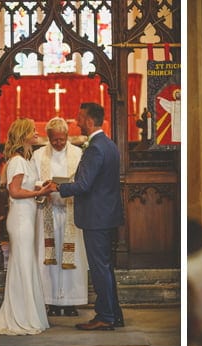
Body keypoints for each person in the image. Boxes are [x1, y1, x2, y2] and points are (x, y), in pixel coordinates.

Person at [49, 102, 125, 330]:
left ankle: (105, 317)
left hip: (96, 217)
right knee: (106, 266)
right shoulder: (109, 144)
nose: (76, 121)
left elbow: (83, 185)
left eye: (80, 117)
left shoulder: (95, 148)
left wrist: (57, 187)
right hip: (106, 215)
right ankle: (114, 314)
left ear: (90, 121)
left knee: (100, 267)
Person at [0, 118, 55, 335]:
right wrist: (40, 192)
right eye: (32, 130)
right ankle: (20, 316)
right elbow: (15, 191)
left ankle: (29, 314)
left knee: (27, 264)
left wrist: (41, 189)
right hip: (20, 219)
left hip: (28, 216)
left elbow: (25, 189)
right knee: (22, 265)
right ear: (23, 135)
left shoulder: (26, 160)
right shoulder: (17, 161)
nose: (36, 133)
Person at [33, 117, 86, 317]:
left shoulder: (78, 153)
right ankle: (52, 302)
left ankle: (71, 302)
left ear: (67, 136)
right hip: (48, 211)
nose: (59, 143)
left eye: (62, 139)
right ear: (48, 138)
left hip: (71, 210)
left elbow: (83, 180)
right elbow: (32, 181)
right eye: (54, 140)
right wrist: (43, 184)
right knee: (50, 258)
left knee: (72, 257)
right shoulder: (39, 155)